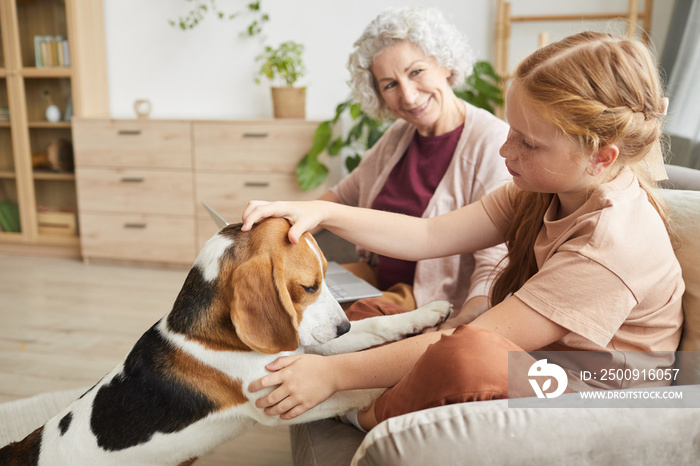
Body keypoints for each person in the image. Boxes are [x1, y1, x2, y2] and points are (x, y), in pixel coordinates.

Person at [241, 31, 684, 431]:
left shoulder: (611, 241)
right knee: (437, 340)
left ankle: (365, 412)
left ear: (600, 157)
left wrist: (334, 376)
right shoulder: (541, 189)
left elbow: (484, 340)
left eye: (528, 143)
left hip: (608, 402)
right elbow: (428, 236)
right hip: (548, 363)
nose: (504, 149)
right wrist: (320, 211)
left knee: (466, 353)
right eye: (511, 130)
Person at [316, 6, 509, 323]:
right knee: (284, 295)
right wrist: (281, 225)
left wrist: (465, 326)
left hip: (429, 300)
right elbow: (340, 195)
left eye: (416, 72)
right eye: (389, 84)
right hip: (373, 282)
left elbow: (496, 263)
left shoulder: (493, 142)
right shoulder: (399, 136)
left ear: (445, 64)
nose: (408, 96)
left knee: (322, 322)